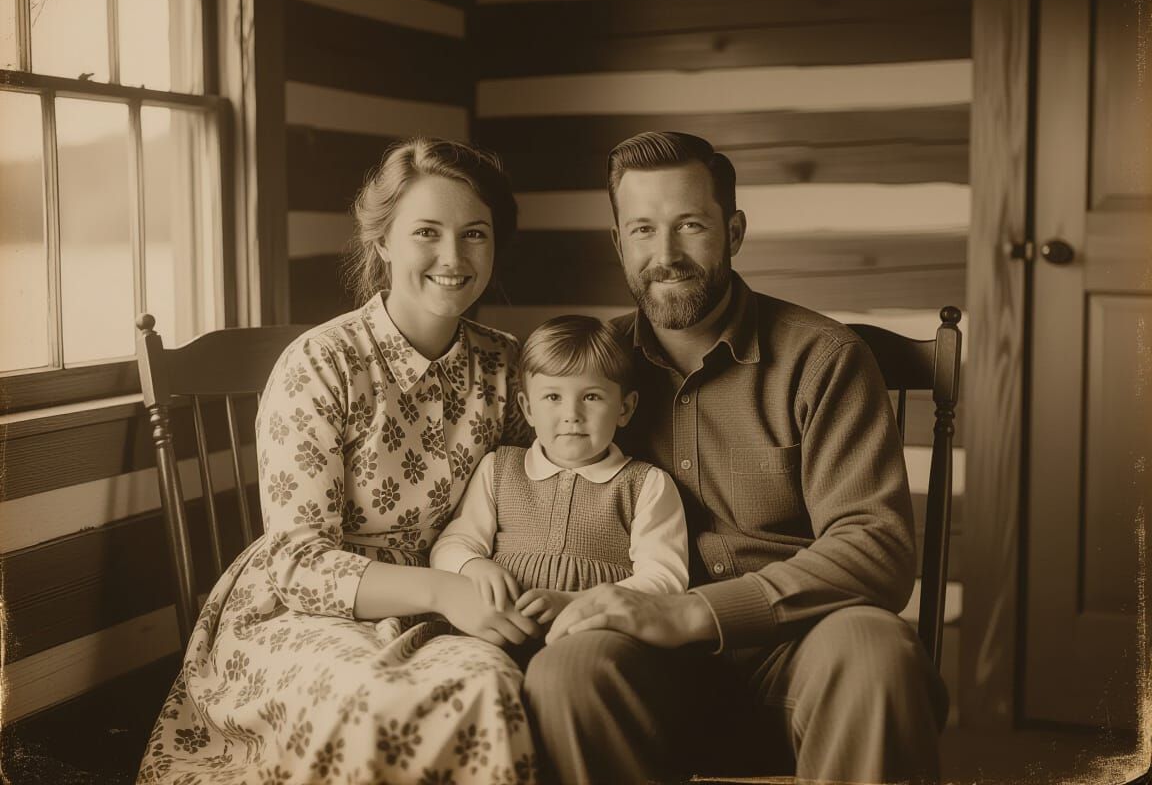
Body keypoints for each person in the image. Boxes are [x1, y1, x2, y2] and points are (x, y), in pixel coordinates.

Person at [519, 132, 949, 785]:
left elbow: (877, 546)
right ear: (618, 243)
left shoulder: (822, 358)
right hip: (646, 664)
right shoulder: (588, 373)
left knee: (876, 649)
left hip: (803, 648)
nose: (664, 256)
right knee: (566, 670)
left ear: (735, 230)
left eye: (690, 225)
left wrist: (695, 612)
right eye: (642, 230)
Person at [138, 138, 545, 785]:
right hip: (308, 613)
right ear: (382, 243)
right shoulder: (322, 364)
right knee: (383, 700)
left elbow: (542, 498)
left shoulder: (505, 364)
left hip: (457, 599)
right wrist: (444, 590)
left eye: (475, 234)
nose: (453, 258)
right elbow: (298, 564)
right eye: (426, 233)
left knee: (489, 680)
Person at [430, 315, 689, 634]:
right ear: (527, 408)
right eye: (553, 397)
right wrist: (473, 565)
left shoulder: (645, 484)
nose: (571, 415)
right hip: (498, 626)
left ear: (625, 408)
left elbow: (666, 579)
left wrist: (577, 602)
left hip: (593, 631)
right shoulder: (500, 469)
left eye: (591, 397)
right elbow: (452, 544)